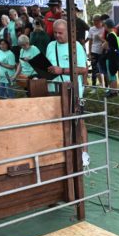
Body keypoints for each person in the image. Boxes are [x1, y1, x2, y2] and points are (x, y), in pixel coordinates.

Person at [46, 19, 89, 164]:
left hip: (73, 91)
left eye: (60, 33)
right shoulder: (51, 45)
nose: (57, 35)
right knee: (58, 122)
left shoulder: (76, 46)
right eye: (55, 32)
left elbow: (83, 69)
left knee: (79, 122)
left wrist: (62, 70)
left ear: (68, 33)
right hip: (54, 89)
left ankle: (84, 154)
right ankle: (63, 152)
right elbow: (48, 65)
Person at [103, 18, 119, 96]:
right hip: (113, 57)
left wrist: (104, 46)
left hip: (112, 57)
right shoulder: (113, 34)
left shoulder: (110, 35)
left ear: (107, 26)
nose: (104, 26)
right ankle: (112, 90)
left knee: (111, 74)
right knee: (111, 74)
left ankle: (114, 92)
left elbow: (107, 46)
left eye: (104, 25)